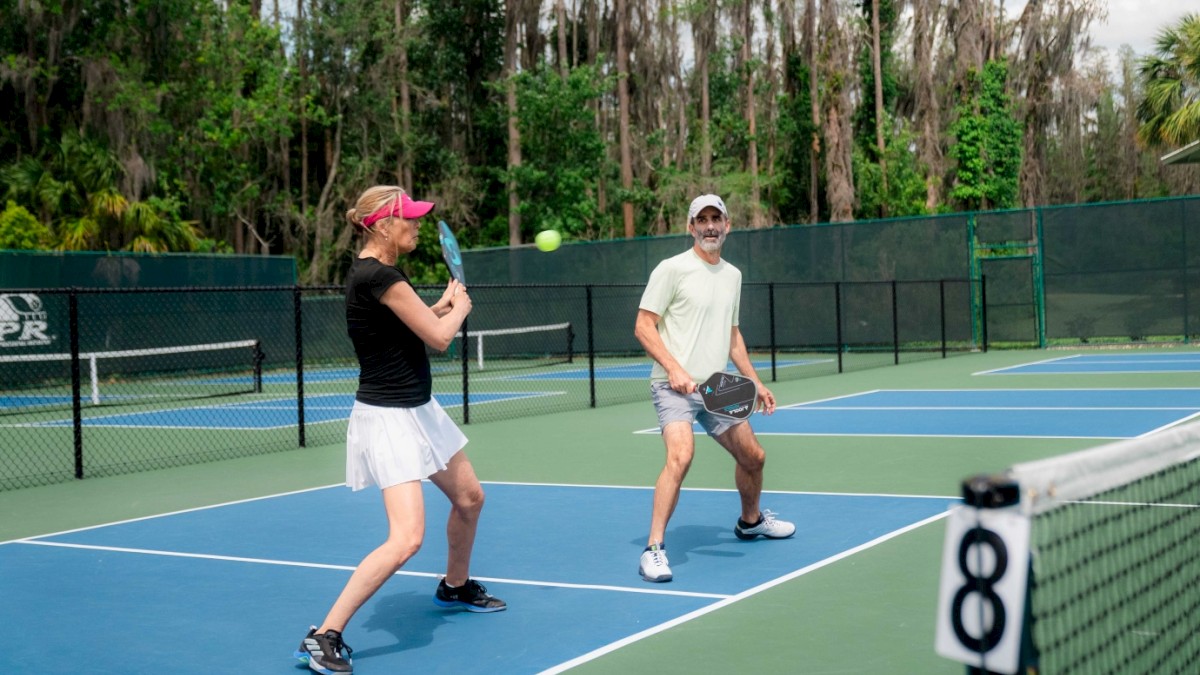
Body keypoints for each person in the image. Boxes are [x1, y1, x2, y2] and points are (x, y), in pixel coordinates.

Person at [295, 186, 505, 675]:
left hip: (418, 408)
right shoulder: (378, 275)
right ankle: (324, 635)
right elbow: (437, 339)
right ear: (382, 226)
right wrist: (458, 311)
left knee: (470, 498)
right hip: (388, 418)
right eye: (407, 218)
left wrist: (442, 303)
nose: (415, 224)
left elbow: (410, 324)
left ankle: (454, 586)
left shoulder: (381, 275)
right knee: (407, 537)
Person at [632, 193, 796, 583]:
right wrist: (673, 368)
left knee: (754, 457)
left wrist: (754, 381)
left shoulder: (733, 276)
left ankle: (750, 521)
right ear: (691, 227)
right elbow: (643, 325)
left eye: (715, 218)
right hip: (673, 388)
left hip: (718, 387)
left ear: (727, 226)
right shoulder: (671, 269)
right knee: (681, 456)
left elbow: (732, 335)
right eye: (701, 219)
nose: (709, 225)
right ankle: (653, 549)